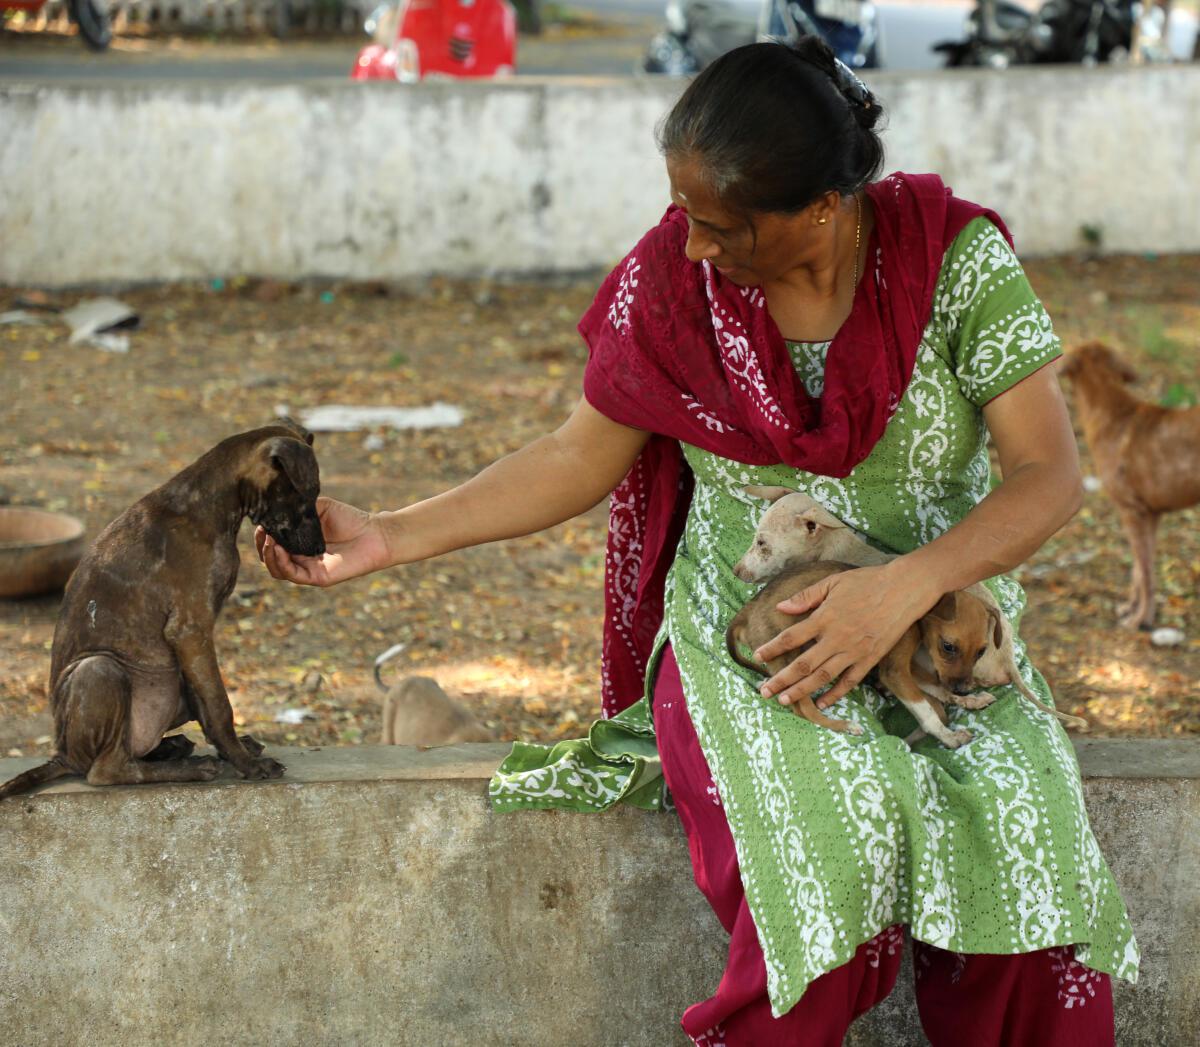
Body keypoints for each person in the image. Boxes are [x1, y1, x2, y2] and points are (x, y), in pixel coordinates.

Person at [258, 39, 1137, 1047]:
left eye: (721, 227)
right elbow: (575, 455)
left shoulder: (956, 262)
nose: (692, 250)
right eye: (686, 217)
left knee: (1020, 833)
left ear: (821, 208)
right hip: (750, 625)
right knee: (819, 848)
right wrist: (392, 536)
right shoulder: (676, 281)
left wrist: (899, 590)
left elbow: (1050, 474)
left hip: (944, 615)